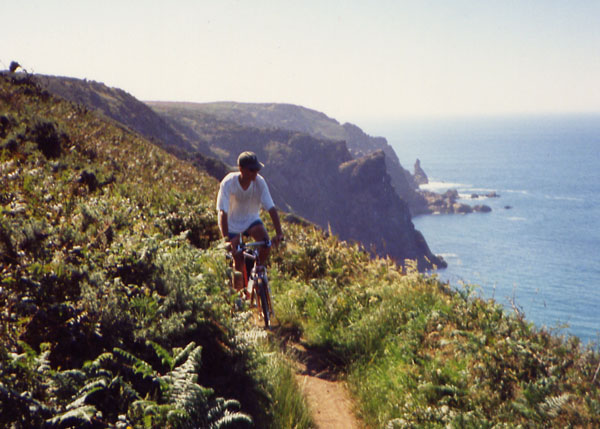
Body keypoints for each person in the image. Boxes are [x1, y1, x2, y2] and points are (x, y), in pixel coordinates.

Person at [216, 151, 284, 293]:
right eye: (252, 170)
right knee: (238, 261)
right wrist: (226, 240)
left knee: (266, 244)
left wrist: (279, 233)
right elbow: (223, 212)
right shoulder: (229, 182)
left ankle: (254, 276)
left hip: (251, 220)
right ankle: (239, 296)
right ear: (241, 169)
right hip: (232, 224)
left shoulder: (259, 182)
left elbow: (271, 208)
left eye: (257, 169)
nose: (255, 173)